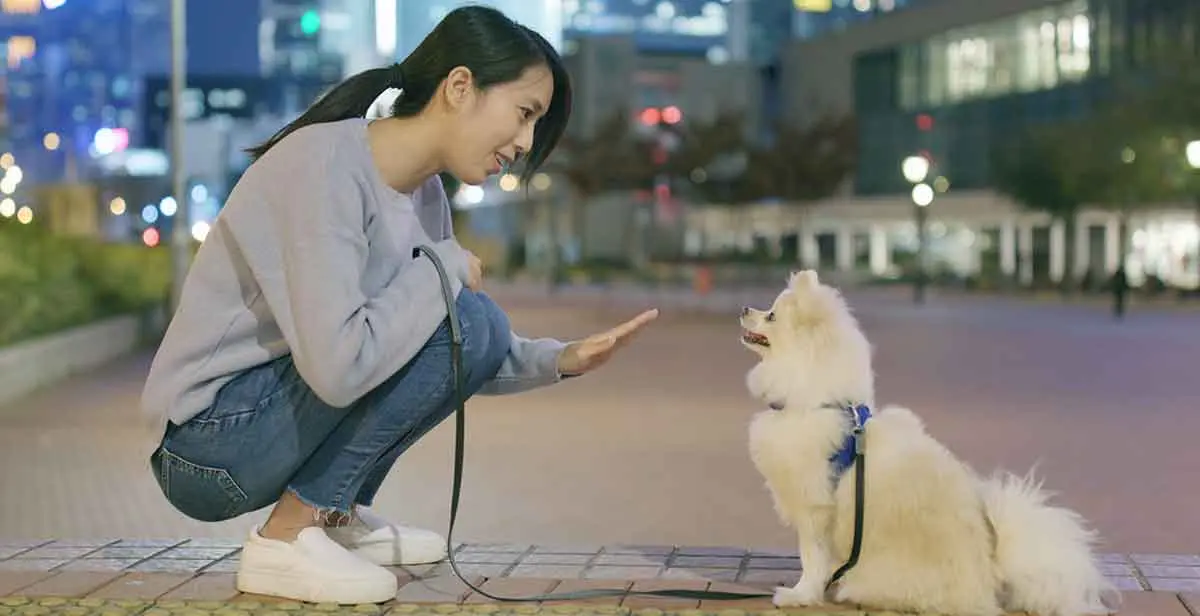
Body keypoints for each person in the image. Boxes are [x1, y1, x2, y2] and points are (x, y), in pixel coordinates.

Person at [140, 5, 658, 606]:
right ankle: (288, 536)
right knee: (466, 310)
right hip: (205, 445)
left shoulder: (424, 194)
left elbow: (443, 342)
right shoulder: (325, 166)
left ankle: (334, 517)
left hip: (261, 423)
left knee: (474, 320)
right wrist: (444, 266)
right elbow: (340, 369)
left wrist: (559, 359)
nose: (524, 143)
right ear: (460, 87)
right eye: (524, 115)